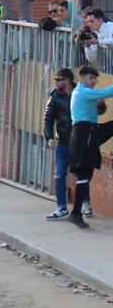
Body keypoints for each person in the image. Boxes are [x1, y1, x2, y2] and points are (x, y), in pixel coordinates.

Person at [67, 66, 113, 228]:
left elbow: (96, 111)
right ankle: (75, 213)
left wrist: (99, 106)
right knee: (84, 173)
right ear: (82, 78)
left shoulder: (85, 93)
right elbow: (105, 92)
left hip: (90, 132)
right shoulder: (83, 92)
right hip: (83, 134)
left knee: (86, 175)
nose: (93, 81)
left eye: (95, 79)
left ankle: (76, 212)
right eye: (90, 78)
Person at [43, 68, 74, 220]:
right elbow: (47, 120)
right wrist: (49, 137)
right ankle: (61, 207)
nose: (55, 82)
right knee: (60, 174)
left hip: (79, 141)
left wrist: (101, 107)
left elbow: (96, 110)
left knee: (81, 173)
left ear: (67, 80)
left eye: (58, 79)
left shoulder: (79, 93)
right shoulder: (54, 97)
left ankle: (86, 204)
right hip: (62, 141)